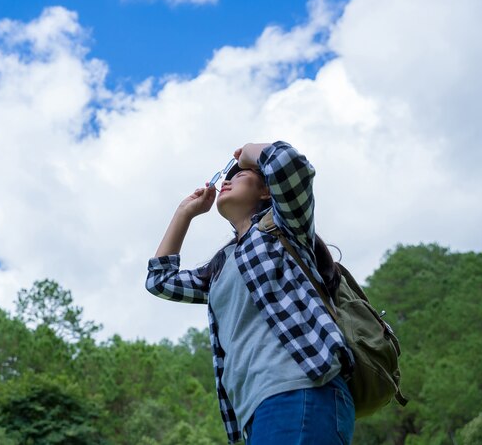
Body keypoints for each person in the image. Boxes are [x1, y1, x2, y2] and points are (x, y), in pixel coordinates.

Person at [145, 141, 355, 444]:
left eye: (241, 176)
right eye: (228, 178)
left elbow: (290, 164)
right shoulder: (222, 265)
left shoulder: (284, 229)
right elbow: (160, 281)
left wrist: (249, 150)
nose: (227, 181)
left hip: (301, 388)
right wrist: (184, 213)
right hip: (256, 408)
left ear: (267, 191)